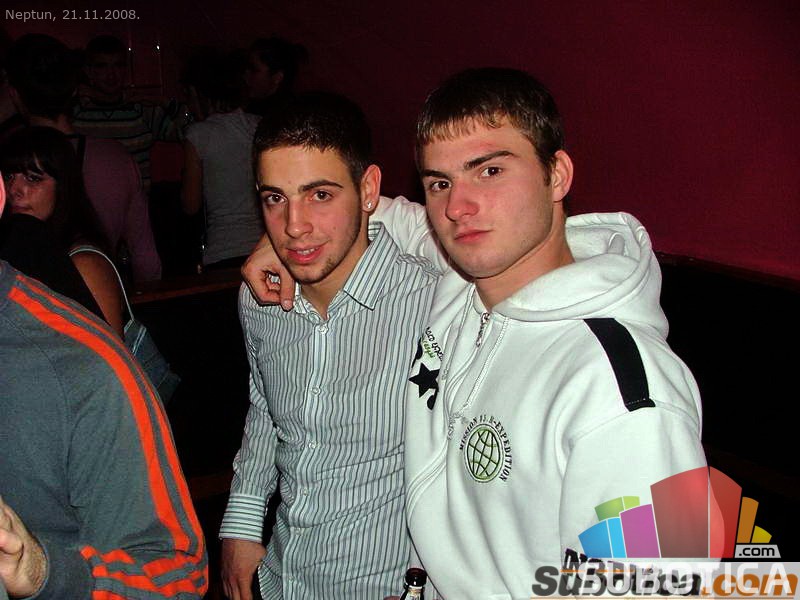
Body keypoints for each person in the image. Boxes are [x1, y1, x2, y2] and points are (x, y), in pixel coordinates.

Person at [243, 68, 707, 599]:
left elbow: (662, 588)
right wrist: (286, 238)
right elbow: (364, 212)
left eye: (489, 171)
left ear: (557, 175)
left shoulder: (624, 392)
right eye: (440, 183)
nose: (457, 207)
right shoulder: (460, 293)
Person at [218, 92, 438, 599]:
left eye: (319, 194)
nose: (294, 226)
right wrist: (241, 525)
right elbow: (265, 409)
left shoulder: (435, 305)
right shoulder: (260, 297)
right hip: (279, 579)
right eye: (275, 198)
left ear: (368, 190)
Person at [0, 164, 208, 598]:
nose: (22, 190)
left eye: (36, 178)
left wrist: (37, 569)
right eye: (17, 176)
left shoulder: (81, 358)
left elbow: (176, 578)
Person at [6, 33, 162, 282]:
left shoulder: (9, 156)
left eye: (33, 178)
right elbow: (147, 262)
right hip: (94, 288)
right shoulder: (114, 158)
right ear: (74, 91)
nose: (16, 187)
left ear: (15, 94)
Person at [0, 126, 124, 334]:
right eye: (8, 176)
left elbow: (109, 349)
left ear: (63, 186)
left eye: (33, 178)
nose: (14, 190)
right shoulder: (17, 249)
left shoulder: (85, 263)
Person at [181, 48, 264, 269]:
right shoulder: (259, 125)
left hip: (223, 251)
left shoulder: (199, 134)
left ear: (197, 93)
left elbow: (190, 204)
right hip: (264, 248)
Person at [73, 34, 187, 193]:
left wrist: (164, 102)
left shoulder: (142, 110)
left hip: (136, 205)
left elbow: (193, 134)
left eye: (118, 65)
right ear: (89, 71)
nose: (111, 74)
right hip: (88, 205)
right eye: (102, 66)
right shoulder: (76, 112)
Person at [243, 37, 307, 116]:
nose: (246, 75)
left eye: (254, 70)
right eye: (246, 68)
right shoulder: (253, 105)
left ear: (277, 77)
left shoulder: (282, 114)